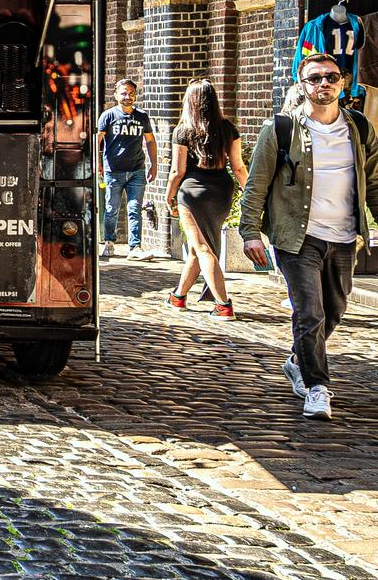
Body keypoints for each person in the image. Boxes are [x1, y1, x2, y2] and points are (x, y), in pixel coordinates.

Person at [238, 53, 378, 421]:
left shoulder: (360, 129)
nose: (324, 84)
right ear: (303, 85)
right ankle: (317, 387)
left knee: (335, 309)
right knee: (309, 312)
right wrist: (250, 232)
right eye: (315, 78)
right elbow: (256, 185)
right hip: (297, 237)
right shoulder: (281, 129)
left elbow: (375, 183)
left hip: (346, 236)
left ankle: (298, 359)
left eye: (331, 77)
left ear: (343, 83)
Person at [163, 78, 244, 322]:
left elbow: (177, 171)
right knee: (199, 248)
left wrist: (169, 197)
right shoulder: (228, 128)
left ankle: (223, 305)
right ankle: (178, 296)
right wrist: (250, 191)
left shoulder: (184, 130)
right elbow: (238, 167)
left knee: (203, 248)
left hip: (193, 193)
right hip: (221, 190)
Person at [96, 78, 160, 260]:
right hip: (113, 170)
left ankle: (135, 247)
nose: (127, 96)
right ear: (116, 95)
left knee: (135, 208)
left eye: (131, 93)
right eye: (123, 93)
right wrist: (97, 163)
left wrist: (154, 164)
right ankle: (109, 243)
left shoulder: (142, 116)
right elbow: (97, 140)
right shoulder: (108, 116)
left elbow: (150, 141)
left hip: (137, 170)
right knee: (111, 208)